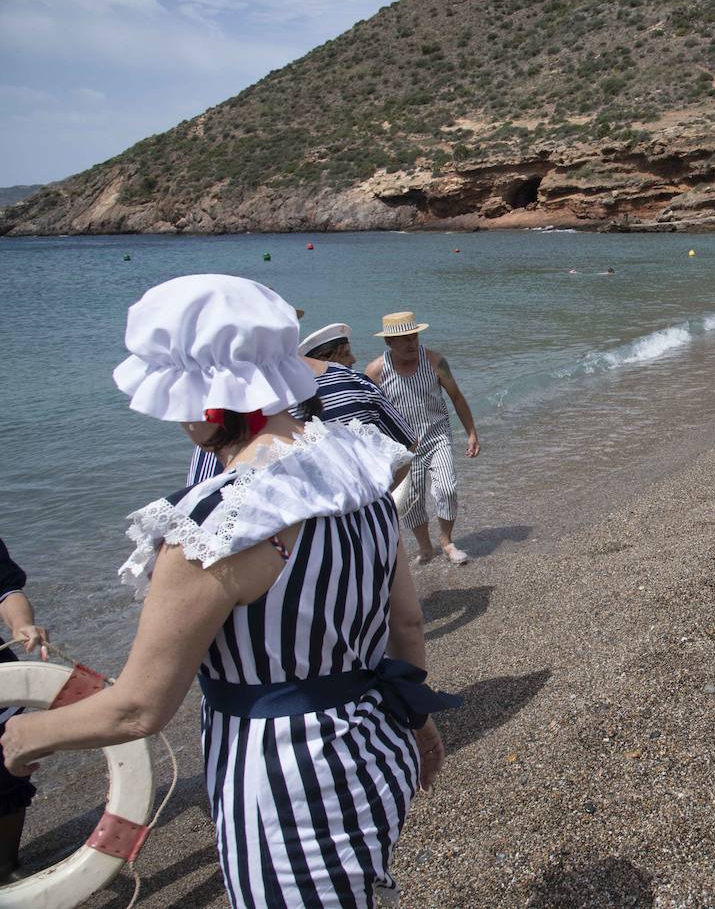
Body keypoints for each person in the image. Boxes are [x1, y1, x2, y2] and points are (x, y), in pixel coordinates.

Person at [0, 274, 460, 904]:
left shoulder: (212, 527)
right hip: (376, 742)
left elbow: (138, 708)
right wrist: (417, 723)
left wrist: (26, 737)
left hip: (284, 781)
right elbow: (405, 625)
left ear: (207, 400)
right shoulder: (356, 467)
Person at [187, 321, 417, 485]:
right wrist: (373, 502)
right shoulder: (353, 380)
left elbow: (207, 492)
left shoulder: (232, 408)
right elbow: (406, 447)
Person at [366, 313, 481, 566]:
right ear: (389, 342)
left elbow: (457, 397)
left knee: (447, 488)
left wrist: (471, 432)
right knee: (411, 500)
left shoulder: (435, 362)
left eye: (414, 336)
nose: (411, 343)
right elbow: (369, 415)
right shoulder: (376, 371)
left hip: (437, 435)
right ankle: (425, 548)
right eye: (403, 338)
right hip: (402, 447)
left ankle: (446, 541)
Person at [0, 539, 48, 882]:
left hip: (1, 686)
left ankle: (7, 865)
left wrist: (21, 625)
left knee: (8, 778)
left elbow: (6, 591)